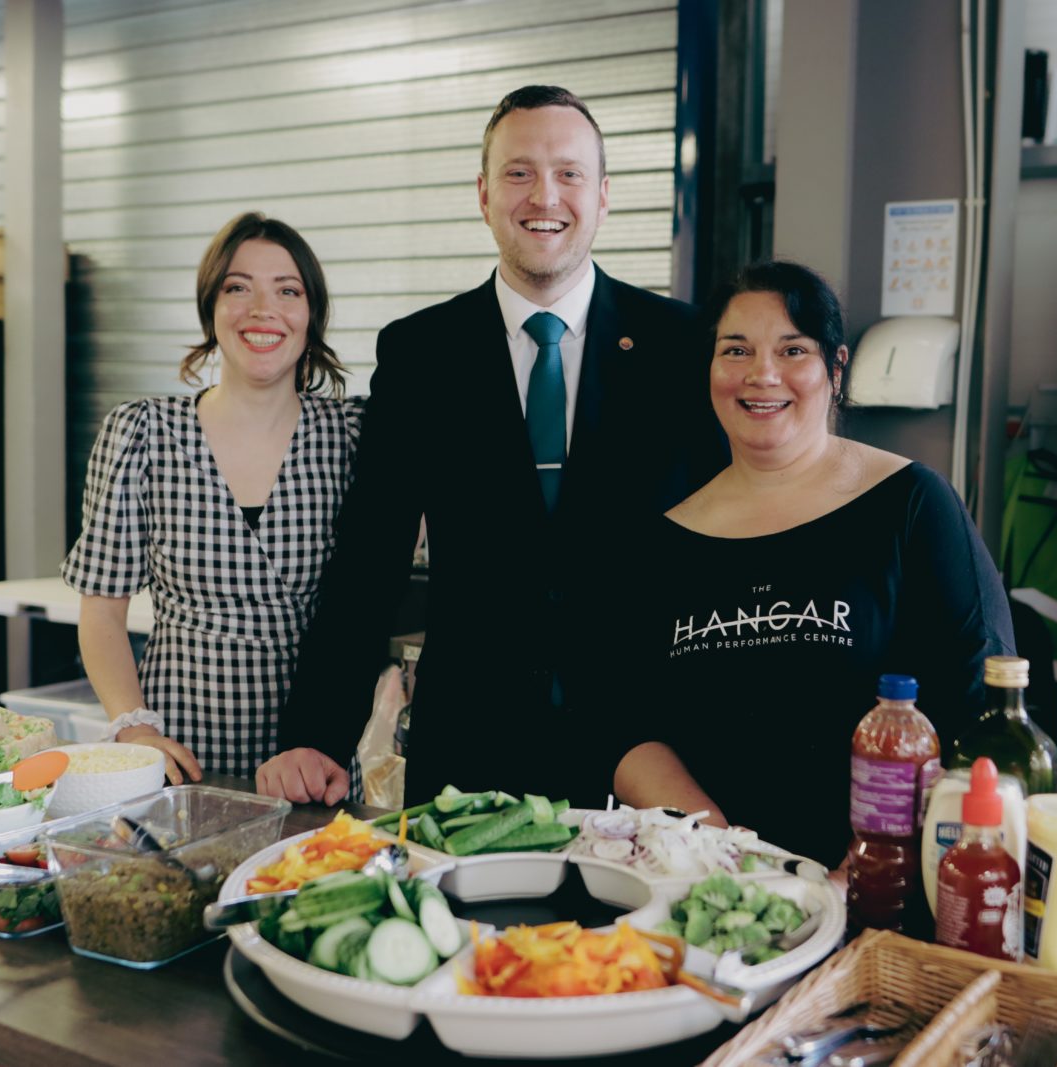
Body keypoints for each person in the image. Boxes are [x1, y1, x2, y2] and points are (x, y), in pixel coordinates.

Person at [261, 85, 726, 805]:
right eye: (519, 172)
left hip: (645, 750)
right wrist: (316, 732)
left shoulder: (683, 344)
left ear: (604, 196)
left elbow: (726, 546)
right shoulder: (420, 352)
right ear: (483, 195)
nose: (545, 195)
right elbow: (369, 556)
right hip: (470, 752)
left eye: (569, 173)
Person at [611, 261, 1015, 866]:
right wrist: (728, 856)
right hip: (714, 880)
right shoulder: (666, 537)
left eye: (792, 349)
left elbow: (977, 710)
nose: (762, 374)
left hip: (883, 880)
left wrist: (863, 870)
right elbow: (627, 723)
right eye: (736, 350)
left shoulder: (911, 504)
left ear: (836, 367)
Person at [62, 212, 361, 792]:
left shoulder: (353, 437)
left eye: (288, 290)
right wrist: (134, 729)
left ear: (311, 314)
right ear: (211, 307)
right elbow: (101, 611)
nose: (262, 309)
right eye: (237, 287)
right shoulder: (143, 432)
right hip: (180, 757)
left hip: (312, 760)